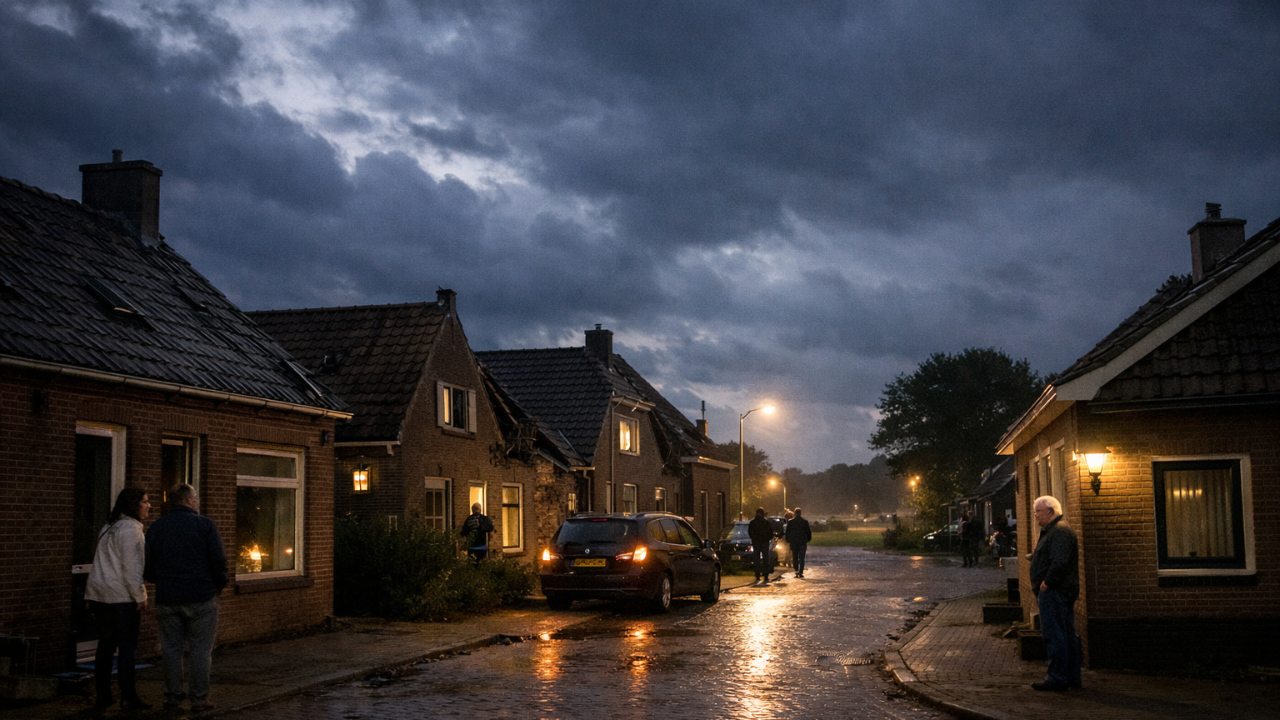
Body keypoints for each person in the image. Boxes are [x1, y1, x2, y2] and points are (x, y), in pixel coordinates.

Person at [144, 484, 228, 711]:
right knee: (200, 650)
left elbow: (147, 567)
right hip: (200, 596)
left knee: (171, 650)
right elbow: (218, 561)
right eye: (196, 497)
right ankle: (199, 699)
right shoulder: (204, 526)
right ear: (189, 500)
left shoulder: (156, 528)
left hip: (168, 597)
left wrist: (163, 580)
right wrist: (217, 586)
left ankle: (172, 697)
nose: (198, 501)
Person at [85, 488, 153, 712]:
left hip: (100, 596)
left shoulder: (108, 528)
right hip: (122, 599)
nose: (149, 505)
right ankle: (128, 697)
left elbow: (99, 563)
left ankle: (102, 696)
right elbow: (132, 568)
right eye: (145, 502)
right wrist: (140, 596)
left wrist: (90, 594)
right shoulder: (132, 530)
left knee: (104, 648)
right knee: (126, 649)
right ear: (135, 505)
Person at [1029, 495, 1081, 691]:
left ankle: (1057, 678)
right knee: (1067, 634)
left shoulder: (1058, 532)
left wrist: (1046, 583)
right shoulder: (1057, 531)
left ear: (1050, 512)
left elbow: (1059, 562)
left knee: (1054, 634)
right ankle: (1070, 677)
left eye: (1038, 512)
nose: (1035, 516)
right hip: (1061, 590)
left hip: (1055, 592)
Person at [784, 507, 812, 579]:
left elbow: (787, 532)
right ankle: (801, 571)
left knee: (795, 557)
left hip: (794, 542)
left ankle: (796, 570)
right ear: (800, 513)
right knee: (802, 557)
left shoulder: (790, 522)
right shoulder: (804, 522)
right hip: (802, 542)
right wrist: (807, 539)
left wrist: (788, 540)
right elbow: (808, 532)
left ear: (794, 513)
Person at [748, 507, 774, 583]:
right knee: (765, 558)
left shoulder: (753, 523)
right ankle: (765, 575)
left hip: (756, 542)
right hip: (764, 543)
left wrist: (754, 538)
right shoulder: (766, 523)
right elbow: (770, 533)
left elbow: (750, 532)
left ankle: (757, 575)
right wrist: (767, 539)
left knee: (757, 559)